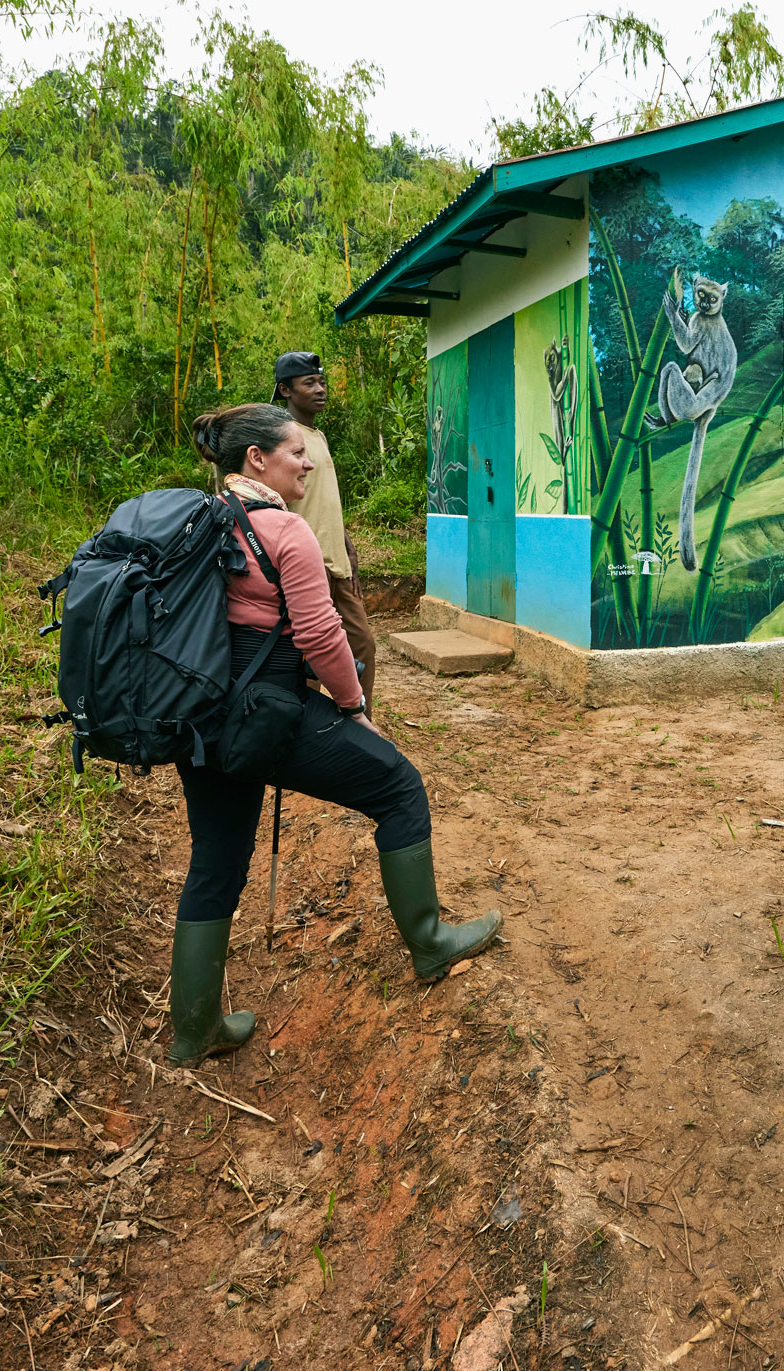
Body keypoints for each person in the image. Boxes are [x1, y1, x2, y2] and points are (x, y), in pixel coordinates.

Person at [165, 403, 500, 1065]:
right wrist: (352, 706)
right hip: (266, 718)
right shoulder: (285, 532)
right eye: (295, 452)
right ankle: (430, 941)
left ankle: (192, 1032)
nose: (308, 462)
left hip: (197, 721)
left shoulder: (193, 523)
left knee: (215, 861)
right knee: (399, 784)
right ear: (256, 460)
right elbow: (321, 635)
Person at [274, 352, 379, 712]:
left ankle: (360, 723)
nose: (320, 390)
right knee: (309, 657)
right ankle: (307, 728)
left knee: (362, 644)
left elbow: (326, 500)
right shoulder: (280, 438)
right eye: (310, 383)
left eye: (322, 382)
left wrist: (347, 546)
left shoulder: (317, 435)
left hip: (336, 563)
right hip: (305, 565)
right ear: (285, 390)